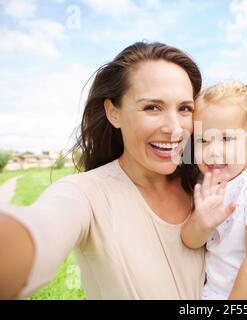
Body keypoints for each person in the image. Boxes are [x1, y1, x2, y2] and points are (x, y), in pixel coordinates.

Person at [0, 42, 205, 299]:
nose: (175, 127)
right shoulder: (85, 193)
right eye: (152, 107)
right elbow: (43, 228)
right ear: (113, 112)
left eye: (184, 108)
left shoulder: (206, 186)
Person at [181, 81, 247, 299]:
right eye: (203, 140)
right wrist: (201, 222)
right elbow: (191, 241)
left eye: (226, 138)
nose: (213, 151)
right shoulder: (208, 183)